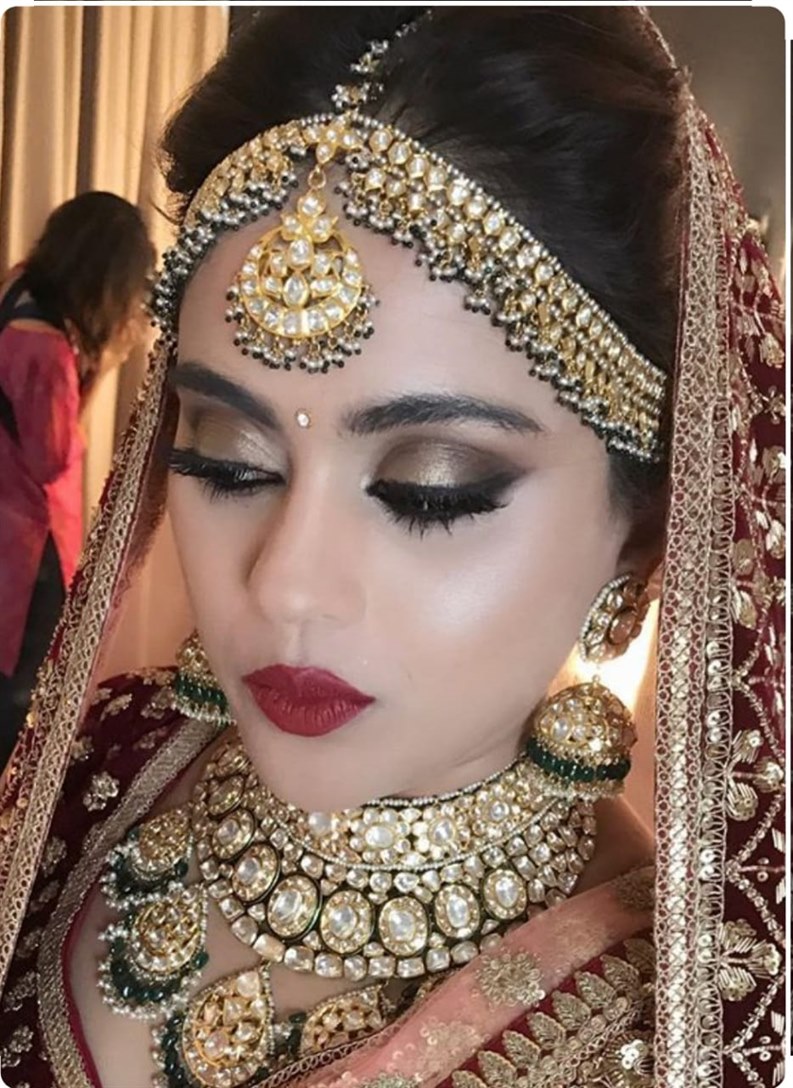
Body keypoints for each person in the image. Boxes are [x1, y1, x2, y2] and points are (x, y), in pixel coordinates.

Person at [0, 9, 785, 1088]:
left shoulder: (683, 1033)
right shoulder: (108, 760)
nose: (284, 584)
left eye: (430, 491)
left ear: (643, 528)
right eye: (230, 460)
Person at [0, 192, 155, 768]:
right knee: (22, 696)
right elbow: (55, 457)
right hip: (24, 544)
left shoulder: (18, 288)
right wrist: (105, 366)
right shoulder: (44, 348)